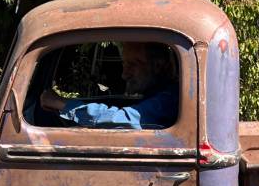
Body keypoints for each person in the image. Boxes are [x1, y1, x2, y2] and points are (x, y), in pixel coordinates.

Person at [38, 42, 178, 130]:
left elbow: (124, 121)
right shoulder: (160, 95)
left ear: (158, 65)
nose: (124, 74)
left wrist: (64, 104)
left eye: (133, 64)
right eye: (124, 64)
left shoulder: (169, 99)